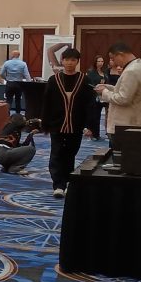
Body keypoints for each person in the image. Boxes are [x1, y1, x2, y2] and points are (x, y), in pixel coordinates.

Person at [42, 47, 95, 198]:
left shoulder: (84, 80)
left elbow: (89, 104)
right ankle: (58, 185)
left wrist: (89, 125)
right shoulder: (54, 80)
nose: (70, 63)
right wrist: (45, 123)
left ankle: (66, 181)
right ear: (62, 61)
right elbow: (47, 103)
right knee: (56, 153)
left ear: (77, 61)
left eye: (73, 60)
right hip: (57, 123)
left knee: (70, 153)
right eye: (67, 60)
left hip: (76, 124)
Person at [94, 42, 141, 146]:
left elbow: (123, 99)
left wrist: (104, 92)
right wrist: (108, 87)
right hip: (136, 123)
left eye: (113, 59)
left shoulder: (131, 71)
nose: (114, 63)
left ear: (120, 54)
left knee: (122, 158)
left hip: (126, 125)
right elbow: (130, 92)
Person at [85, 55, 110, 139]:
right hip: (93, 96)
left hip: (103, 95)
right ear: (95, 62)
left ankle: (97, 133)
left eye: (102, 61)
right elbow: (89, 84)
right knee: (94, 115)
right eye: (98, 61)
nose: (100, 63)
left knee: (99, 115)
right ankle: (93, 133)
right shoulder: (91, 72)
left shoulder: (105, 72)